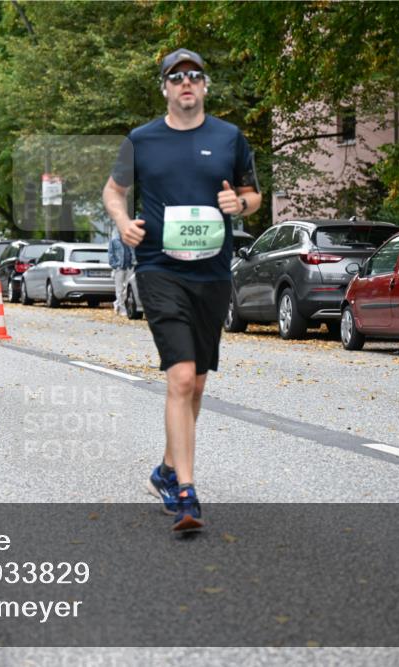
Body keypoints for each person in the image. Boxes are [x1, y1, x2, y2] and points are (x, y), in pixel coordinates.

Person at [102, 48, 261, 533]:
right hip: (159, 269)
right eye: (176, 77)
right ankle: (186, 494)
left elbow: (253, 195)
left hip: (212, 273)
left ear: (205, 86)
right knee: (181, 376)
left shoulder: (229, 137)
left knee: (198, 382)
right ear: (165, 89)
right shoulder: (141, 140)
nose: (185, 83)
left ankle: (166, 470)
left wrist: (241, 204)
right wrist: (124, 222)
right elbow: (113, 191)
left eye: (194, 75)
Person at [108, 229, 134, 316]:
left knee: (126, 289)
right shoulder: (114, 240)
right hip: (119, 267)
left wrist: (134, 262)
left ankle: (117, 303)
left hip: (129, 266)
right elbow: (110, 254)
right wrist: (115, 265)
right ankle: (122, 309)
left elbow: (133, 252)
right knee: (119, 289)